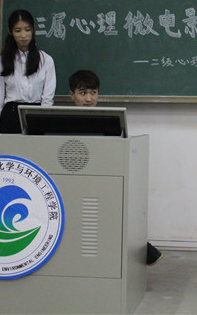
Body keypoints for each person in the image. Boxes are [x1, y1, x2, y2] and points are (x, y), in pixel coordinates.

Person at [68, 69, 163, 266]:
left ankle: (136, 249)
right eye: (83, 93)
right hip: (71, 182)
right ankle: (143, 249)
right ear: (72, 95)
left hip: (101, 181)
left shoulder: (109, 121)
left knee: (117, 204)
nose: (88, 99)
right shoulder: (60, 121)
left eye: (93, 93)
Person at [0, 9, 56, 134]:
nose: (23, 35)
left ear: (33, 29)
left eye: (27, 30)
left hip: (36, 115)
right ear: (10, 32)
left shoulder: (46, 60)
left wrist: (44, 123)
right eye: (18, 30)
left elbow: (47, 99)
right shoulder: (2, 61)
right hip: (10, 114)